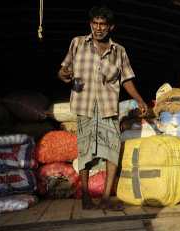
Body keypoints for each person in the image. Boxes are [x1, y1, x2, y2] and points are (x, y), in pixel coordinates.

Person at [58, 5, 148, 210]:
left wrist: (140, 100)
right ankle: (86, 198)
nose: (98, 28)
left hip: (108, 107)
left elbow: (126, 80)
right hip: (85, 105)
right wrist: (63, 74)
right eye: (95, 23)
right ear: (91, 24)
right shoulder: (77, 43)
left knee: (112, 150)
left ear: (111, 27)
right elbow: (63, 70)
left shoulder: (119, 51)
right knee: (85, 150)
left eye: (103, 24)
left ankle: (106, 198)